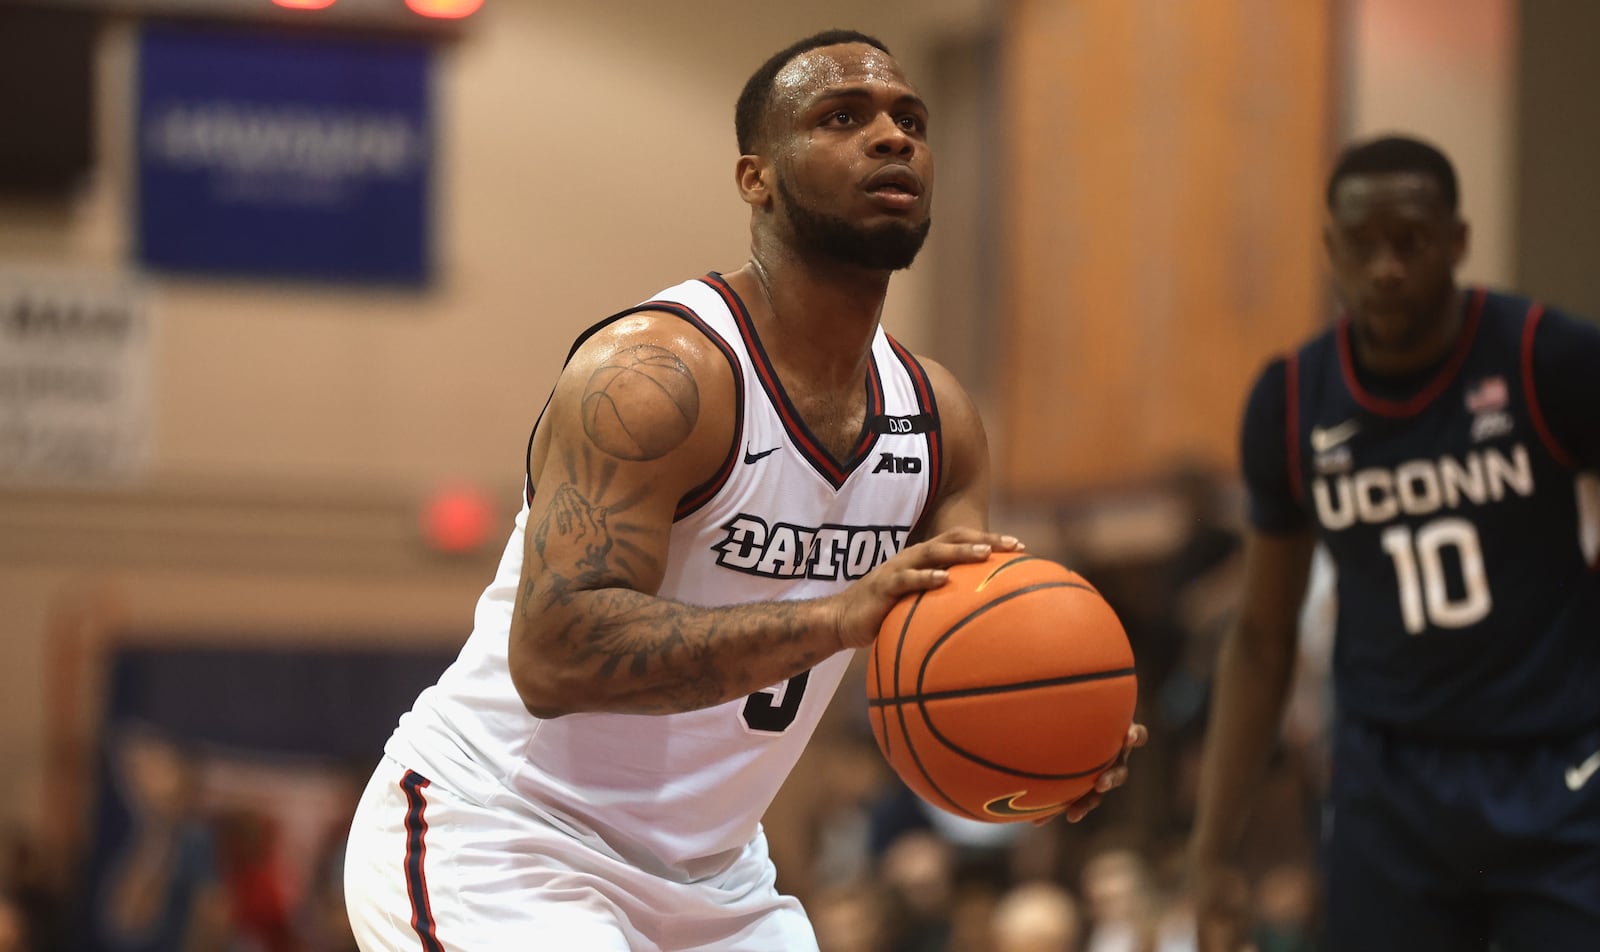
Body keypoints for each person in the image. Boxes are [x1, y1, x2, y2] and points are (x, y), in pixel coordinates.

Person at [343, 29, 1145, 952]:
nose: (893, 138)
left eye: (911, 120)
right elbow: (555, 654)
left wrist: (1048, 729)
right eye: (842, 117)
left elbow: (952, 660)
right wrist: (840, 618)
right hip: (504, 837)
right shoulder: (656, 375)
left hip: (716, 879)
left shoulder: (940, 419)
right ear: (754, 178)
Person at [1190, 133, 1600, 951]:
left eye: (1410, 242)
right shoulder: (1293, 400)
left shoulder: (1545, 357)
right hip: (1391, 785)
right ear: (1330, 249)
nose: (1385, 267)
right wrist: (1211, 850)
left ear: (1457, 241)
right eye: (1362, 245)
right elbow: (1264, 641)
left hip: (1557, 767)